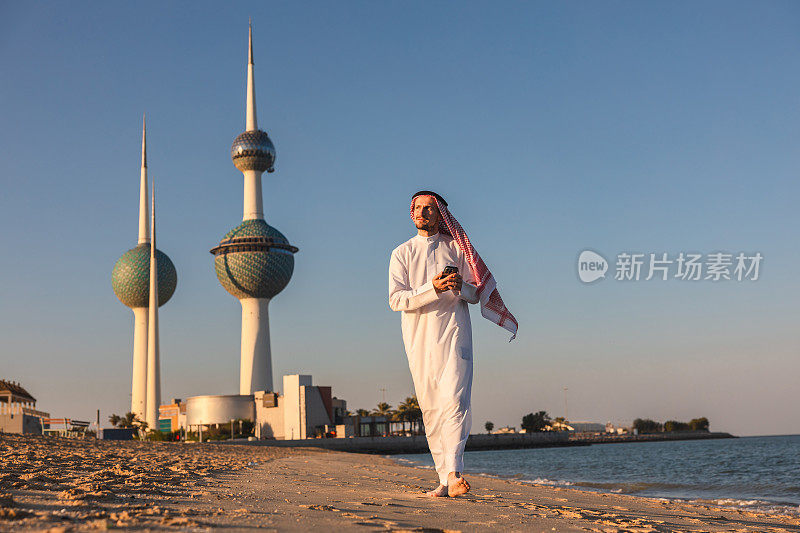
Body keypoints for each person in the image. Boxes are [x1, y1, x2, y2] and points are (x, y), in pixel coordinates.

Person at [388, 191, 517, 497]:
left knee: (456, 402)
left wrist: (462, 287)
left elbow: (478, 293)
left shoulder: (456, 249)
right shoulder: (401, 253)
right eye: (418, 208)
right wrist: (431, 288)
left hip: (455, 336)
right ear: (411, 214)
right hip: (419, 340)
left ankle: (455, 472)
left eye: (429, 208)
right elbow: (396, 300)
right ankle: (444, 478)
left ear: (440, 214)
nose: (423, 212)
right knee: (432, 409)